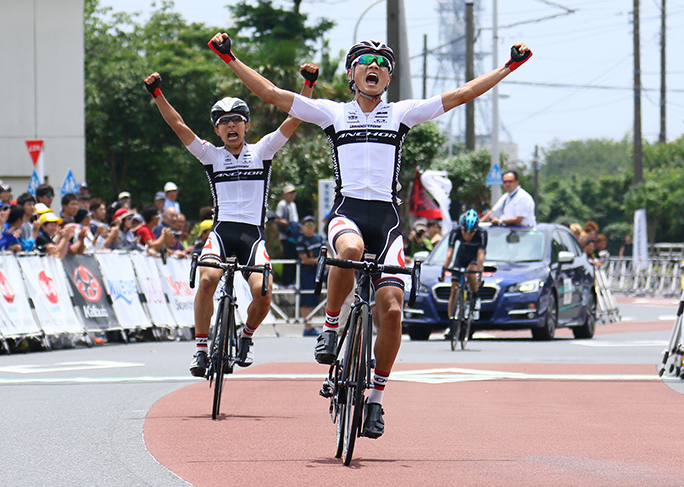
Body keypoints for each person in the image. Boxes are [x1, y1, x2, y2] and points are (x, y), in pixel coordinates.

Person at [209, 31, 531, 438]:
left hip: (388, 221)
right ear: (351, 73)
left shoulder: (401, 113)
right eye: (365, 61)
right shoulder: (332, 113)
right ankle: (330, 328)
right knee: (351, 247)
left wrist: (508, 67)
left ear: (389, 78)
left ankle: (376, 400)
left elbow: (462, 94)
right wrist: (229, 58)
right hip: (349, 213)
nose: (374, 67)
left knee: (393, 309)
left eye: (383, 64)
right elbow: (272, 93)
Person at [144, 60, 317, 377]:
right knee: (207, 280)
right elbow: (179, 126)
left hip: (253, 236)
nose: (231, 126)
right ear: (216, 130)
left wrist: (308, 86)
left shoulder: (263, 150)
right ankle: (199, 349)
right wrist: (157, 94)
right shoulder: (211, 155)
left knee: (263, 293)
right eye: (223, 122)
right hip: (221, 235)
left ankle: (246, 336)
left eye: (237, 120)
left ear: (247, 125)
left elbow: (295, 118)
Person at [441, 209, 487, 323]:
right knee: (454, 288)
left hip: (474, 258)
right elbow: (449, 254)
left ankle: (475, 296)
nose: (467, 235)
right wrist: (443, 269)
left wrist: (480, 273)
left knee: (470, 272)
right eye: (465, 231)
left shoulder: (482, 233)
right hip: (461, 257)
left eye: (471, 232)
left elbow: (481, 255)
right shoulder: (455, 231)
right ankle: (451, 321)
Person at [296, 215, 323, 335]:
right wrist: (320, 261)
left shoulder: (319, 238)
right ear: (302, 227)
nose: (309, 227)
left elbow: (325, 252)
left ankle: (310, 325)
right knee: (306, 299)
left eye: (311, 224)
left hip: (318, 272)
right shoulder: (301, 241)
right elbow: (305, 259)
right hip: (306, 272)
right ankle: (307, 327)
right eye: (307, 224)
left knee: (314, 299)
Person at [275, 184, 299, 286]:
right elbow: (278, 219)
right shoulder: (282, 204)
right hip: (286, 236)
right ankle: (285, 282)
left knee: (294, 257)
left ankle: (292, 280)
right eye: (290, 193)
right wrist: (289, 224)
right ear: (285, 195)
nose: (292, 195)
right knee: (288, 258)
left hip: (294, 235)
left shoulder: (293, 205)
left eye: (293, 193)